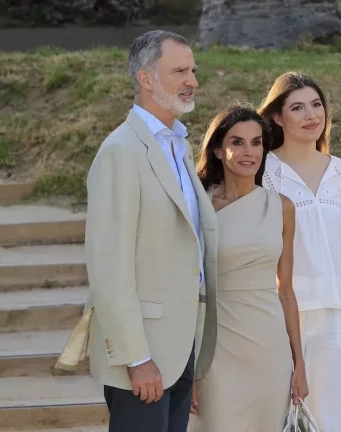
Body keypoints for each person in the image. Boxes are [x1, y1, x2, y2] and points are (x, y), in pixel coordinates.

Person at [82, 30, 218, 432]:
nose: (192, 80)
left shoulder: (177, 145)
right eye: (180, 70)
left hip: (180, 350)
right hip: (142, 357)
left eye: (192, 69)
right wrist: (136, 359)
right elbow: (109, 266)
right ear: (145, 79)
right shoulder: (120, 152)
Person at [258, 71, 341, 432]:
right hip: (281, 315)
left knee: (330, 421)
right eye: (298, 107)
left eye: (316, 105)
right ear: (277, 116)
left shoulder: (340, 172)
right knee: (280, 418)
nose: (311, 115)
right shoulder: (263, 170)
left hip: (337, 317)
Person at [189, 105, 309, 432]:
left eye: (257, 143)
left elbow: (285, 290)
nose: (249, 151)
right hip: (217, 346)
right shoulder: (199, 206)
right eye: (237, 142)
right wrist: (192, 367)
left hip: (269, 346)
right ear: (218, 149)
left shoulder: (282, 206)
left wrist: (299, 364)